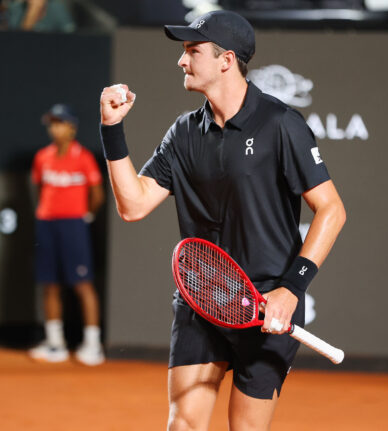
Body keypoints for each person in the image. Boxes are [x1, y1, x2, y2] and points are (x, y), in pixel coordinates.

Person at [99, 10, 345, 431]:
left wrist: (292, 289)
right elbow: (132, 206)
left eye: (192, 51)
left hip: (267, 304)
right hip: (203, 298)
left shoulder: (280, 124)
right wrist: (111, 128)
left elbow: (332, 209)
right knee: (183, 425)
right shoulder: (183, 133)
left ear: (226, 60)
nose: (181, 60)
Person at [29, 103, 105, 366]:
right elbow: (40, 189)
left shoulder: (84, 158)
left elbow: (97, 195)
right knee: (49, 284)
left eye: (59, 123)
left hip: (74, 226)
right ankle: (55, 343)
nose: (54, 128)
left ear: (71, 127)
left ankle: (93, 345)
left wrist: (85, 215)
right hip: (46, 224)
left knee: (83, 284)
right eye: (52, 123)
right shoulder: (42, 157)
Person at [7, 0, 75, 32]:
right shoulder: (17, 8)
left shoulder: (56, 7)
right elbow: (16, 39)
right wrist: (32, 12)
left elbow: (70, 32)